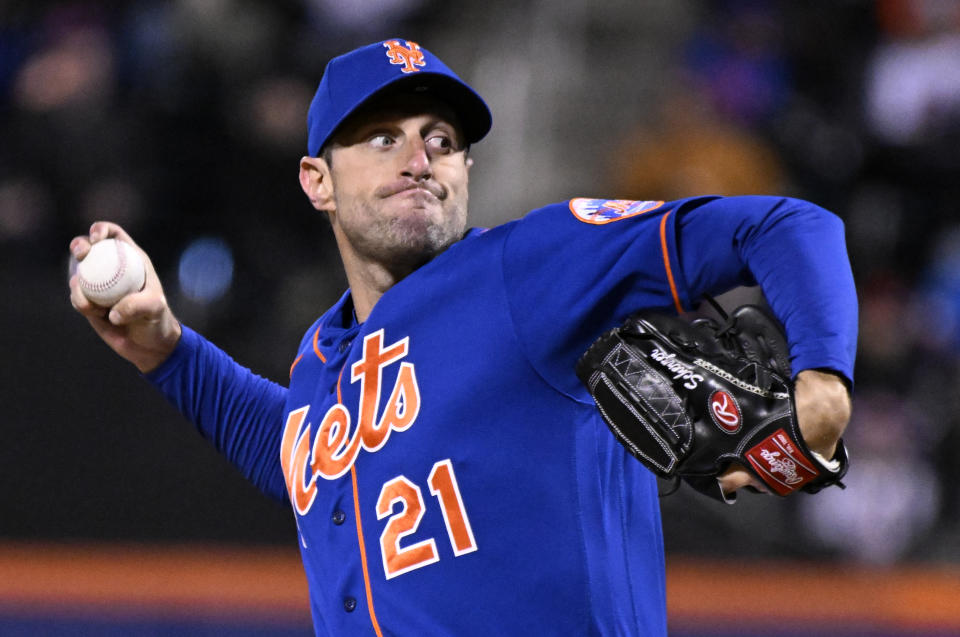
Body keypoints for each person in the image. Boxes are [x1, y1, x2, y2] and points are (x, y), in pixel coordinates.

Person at [69, 39, 857, 636]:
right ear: (317, 181)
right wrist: (165, 348)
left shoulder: (526, 269)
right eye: (384, 137)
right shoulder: (322, 354)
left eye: (441, 140)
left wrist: (822, 380)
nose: (420, 159)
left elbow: (784, 224)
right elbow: (310, 457)